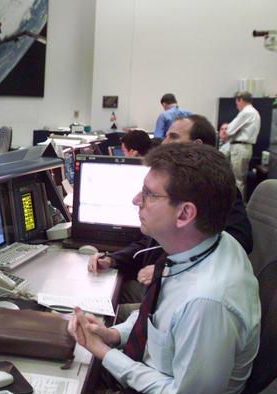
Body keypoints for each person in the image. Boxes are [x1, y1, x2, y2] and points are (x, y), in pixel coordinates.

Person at [71, 143, 260, 394]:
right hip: (155, 366)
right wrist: (115, 336)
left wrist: (105, 353)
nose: (136, 200)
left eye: (148, 194)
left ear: (185, 214)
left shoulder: (207, 302)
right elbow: (159, 313)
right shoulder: (206, 244)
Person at [89, 114, 253, 308]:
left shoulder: (211, 190)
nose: (164, 142)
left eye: (173, 137)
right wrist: (112, 259)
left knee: (103, 301)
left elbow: (239, 239)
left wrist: (167, 269)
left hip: (175, 288)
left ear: (196, 145)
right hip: (164, 285)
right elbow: (150, 244)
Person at [224, 91, 261, 198]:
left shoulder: (246, 112)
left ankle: (236, 205)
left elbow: (229, 130)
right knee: (240, 179)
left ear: (240, 100)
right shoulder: (254, 112)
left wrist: (226, 134)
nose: (237, 106)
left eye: (237, 103)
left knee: (237, 180)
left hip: (240, 147)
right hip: (245, 147)